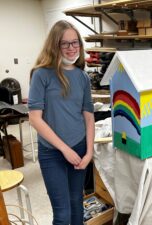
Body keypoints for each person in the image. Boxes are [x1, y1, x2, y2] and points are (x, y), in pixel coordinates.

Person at [28, 20, 95, 225]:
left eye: (75, 43)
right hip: (53, 153)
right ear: (54, 45)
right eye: (65, 43)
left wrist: (89, 152)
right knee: (63, 213)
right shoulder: (41, 74)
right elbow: (34, 119)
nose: (71, 48)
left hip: (80, 147)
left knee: (77, 206)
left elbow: (89, 115)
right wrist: (65, 149)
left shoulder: (82, 76)